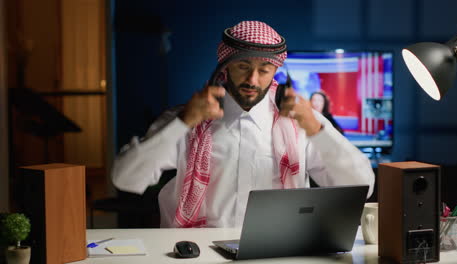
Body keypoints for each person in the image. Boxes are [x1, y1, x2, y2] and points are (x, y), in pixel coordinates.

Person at [112, 21, 374, 228]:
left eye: (264, 70)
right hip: (197, 254)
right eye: (243, 67)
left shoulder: (301, 121)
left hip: (281, 251)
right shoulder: (186, 119)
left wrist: (317, 131)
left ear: (276, 73)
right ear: (225, 68)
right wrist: (183, 123)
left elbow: (362, 186)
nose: (252, 79)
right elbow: (125, 179)